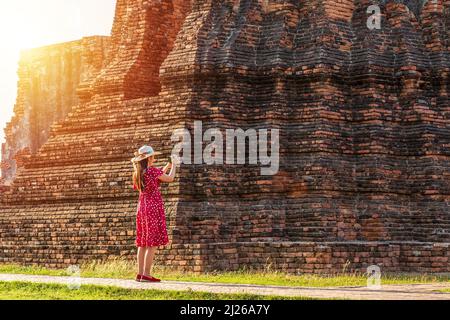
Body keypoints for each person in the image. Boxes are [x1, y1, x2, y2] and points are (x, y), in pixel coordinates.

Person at [131, 145, 178, 283]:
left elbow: (157, 177)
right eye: (153, 156)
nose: (154, 158)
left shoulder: (138, 172)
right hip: (152, 208)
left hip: (142, 207)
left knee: (142, 243)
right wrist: (174, 166)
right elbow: (169, 178)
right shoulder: (151, 171)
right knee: (152, 243)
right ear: (149, 158)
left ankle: (140, 274)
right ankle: (146, 274)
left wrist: (167, 166)